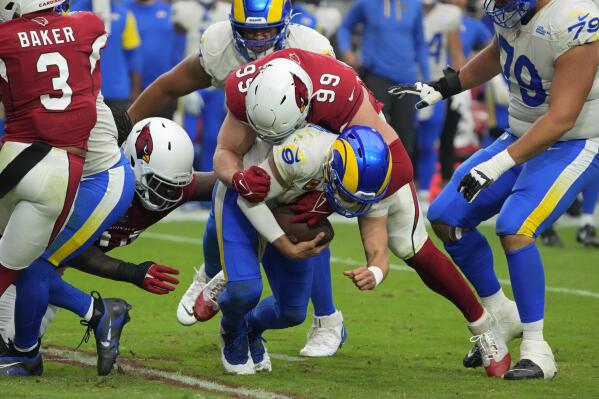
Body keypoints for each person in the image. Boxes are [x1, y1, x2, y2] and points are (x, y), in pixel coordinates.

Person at [207, 50, 513, 377]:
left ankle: (483, 326)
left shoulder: (340, 97)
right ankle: (227, 275)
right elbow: (230, 161)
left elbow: (401, 168)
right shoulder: (283, 133)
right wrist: (242, 180)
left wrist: (331, 208)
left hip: (365, 161)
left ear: (305, 106)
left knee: (413, 246)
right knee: (259, 196)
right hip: (313, 161)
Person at [114, 0, 344, 357]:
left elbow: (345, 98)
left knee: (306, 223)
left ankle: (328, 319)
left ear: (285, 25)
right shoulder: (221, 47)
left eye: (267, 30)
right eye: (250, 32)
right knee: (226, 196)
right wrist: (121, 128)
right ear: (233, 26)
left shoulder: (311, 48)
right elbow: (167, 86)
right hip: (246, 146)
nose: (258, 40)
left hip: (305, 146)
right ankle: (209, 274)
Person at [389, 0, 599, 380]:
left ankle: (537, 348)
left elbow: (562, 117)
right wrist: (445, 85)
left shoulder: (574, 20)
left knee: (516, 227)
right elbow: (500, 51)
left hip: (573, 140)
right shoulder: (515, 14)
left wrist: (499, 164)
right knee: (445, 217)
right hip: (521, 133)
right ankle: (502, 313)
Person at [0, 118, 216, 375]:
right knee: (34, 255)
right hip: (30, 256)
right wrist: (131, 272)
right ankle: (96, 313)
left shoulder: (171, 188)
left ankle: (28, 353)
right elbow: (67, 250)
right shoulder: (102, 186)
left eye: (175, 188)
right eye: (161, 186)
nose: (168, 196)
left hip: (41, 273)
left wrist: (243, 178)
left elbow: (218, 182)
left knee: (33, 269)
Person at [0, 0, 103, 297]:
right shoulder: (88, 25)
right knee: (11, 268)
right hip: (63, 169)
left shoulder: (5, 38)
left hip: (15, 157)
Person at [336, 0, 430, 161]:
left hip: (406, 80)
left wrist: (427, 79)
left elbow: (420, 43)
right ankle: (370, 180)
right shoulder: (366, 3)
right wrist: (346, 51)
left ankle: (400, 183)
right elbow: (344, 28)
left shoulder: (414, 4)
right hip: (376, 76)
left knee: (404, 138)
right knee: (372, 134)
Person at [418, 0, 465, 206]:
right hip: (406, 82)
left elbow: (456, 53)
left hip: (436, 86)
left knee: (428, 143)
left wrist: (463, 86)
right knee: (402, 142)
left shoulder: (449, 14)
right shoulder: (403, 9)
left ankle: (424, 194)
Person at [71, 0, 143, 109]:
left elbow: (133, 55)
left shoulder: (124, 15)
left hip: (117, 92)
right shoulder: (72, 13)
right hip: (81, 92)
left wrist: (135, 92)